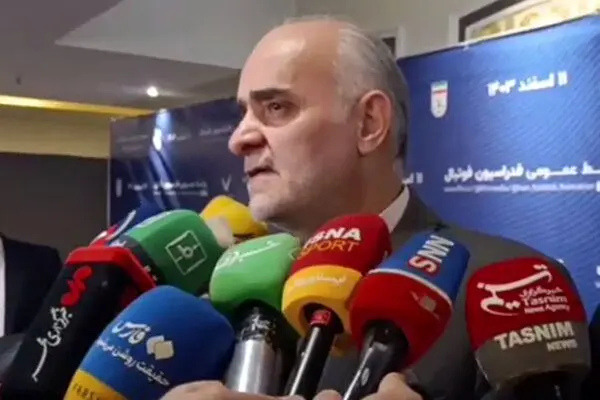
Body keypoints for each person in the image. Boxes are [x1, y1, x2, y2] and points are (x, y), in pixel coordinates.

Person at [162, 15, 577, 400]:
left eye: (276, 107)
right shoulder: (220, 294)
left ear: (369, 124)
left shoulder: (504, 289)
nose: (239, 139)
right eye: (243, 114)